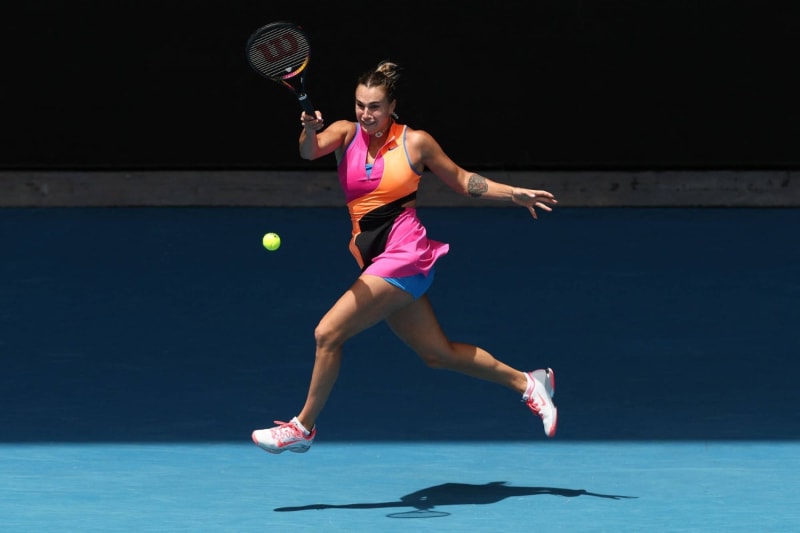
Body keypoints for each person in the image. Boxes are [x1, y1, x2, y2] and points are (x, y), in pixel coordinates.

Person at [252, 60, 559, 454]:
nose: (366, 113)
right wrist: (309, 128)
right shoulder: (346, 134)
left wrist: (512, 193)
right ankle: (529, 382)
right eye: (361, 104)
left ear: (392, 105)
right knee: (437, 354)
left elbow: (464, 181)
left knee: (327, 333)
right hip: (375, 262)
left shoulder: (416, 142)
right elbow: (309, 151)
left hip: (405, 255)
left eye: (375, 106)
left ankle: (302, 427)